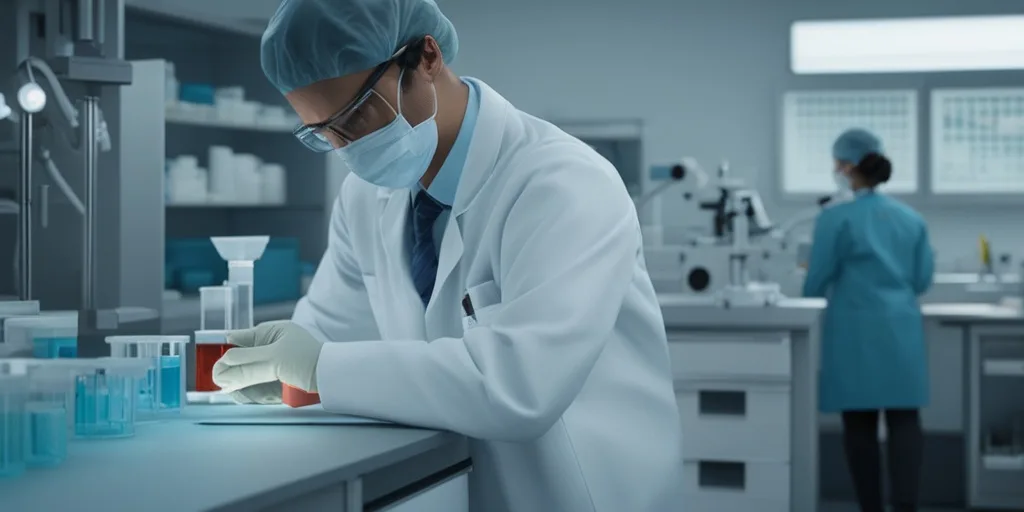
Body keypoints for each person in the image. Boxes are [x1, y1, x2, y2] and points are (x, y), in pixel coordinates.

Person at [210, 1, 685, 511]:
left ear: (427, 58)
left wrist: (321, 369)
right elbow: (332, 335)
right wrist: (283, 369)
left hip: (578, 491)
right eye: (322, 133)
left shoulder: (563, 183)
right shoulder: (363, 198)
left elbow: (520, 385)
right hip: (449, 484)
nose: (345, 148)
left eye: (356, 115)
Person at [803, 128, 935, 512]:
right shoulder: (911, 219)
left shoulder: (835, 219)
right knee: (904, 419)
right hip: (901, 330)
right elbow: (922, 279)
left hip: (854, 331)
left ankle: (870, 507)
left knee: (859, 425)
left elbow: (816, 281)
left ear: (846, 166)